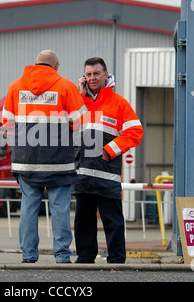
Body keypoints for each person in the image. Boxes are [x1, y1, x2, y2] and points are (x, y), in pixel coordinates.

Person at [2, 50, 86, 263]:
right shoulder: (66, 86)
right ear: (56, 66)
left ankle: (29, 255)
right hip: (58, 163)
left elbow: (7, 123)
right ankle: (62, 255)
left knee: (29, 208)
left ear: (36, 64)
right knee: (59, 209)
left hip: (26, 162)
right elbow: (79, 124)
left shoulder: (16, 86)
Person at [74, 57, 143, 264]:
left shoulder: (118, 102)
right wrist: (79, 97)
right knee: (83, 221)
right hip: (83, 173)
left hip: (106, 173)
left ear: (106, 75)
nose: (92, 78)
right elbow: (67, 129)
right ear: (83, 78)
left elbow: (135, 132)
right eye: (88, 74)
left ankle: (116, 259)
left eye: (96, 73)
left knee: (113, 220)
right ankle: (85, 257)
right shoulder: (78, 102)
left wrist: (110, 150)